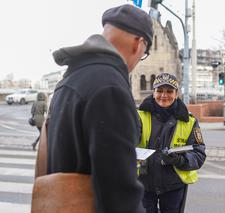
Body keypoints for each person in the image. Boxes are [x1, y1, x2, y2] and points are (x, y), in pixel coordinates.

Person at [47, 4, 153, 212]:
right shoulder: (110, 88)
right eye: (144, 53)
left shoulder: (70, 78)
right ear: (139, 44)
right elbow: (119, 195)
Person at [137, 73, 206, 213]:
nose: (164, 95)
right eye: (160, 91)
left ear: (176, 94)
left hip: (173, 187)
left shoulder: (189, 121)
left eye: (169, 91)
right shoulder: (138, 115)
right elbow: (125, 143)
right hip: (143, 184)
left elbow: (199, 154)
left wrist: (179, 159)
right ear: (153, 92)